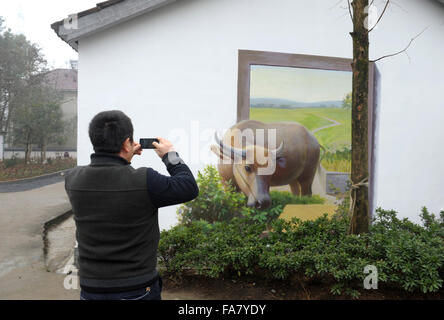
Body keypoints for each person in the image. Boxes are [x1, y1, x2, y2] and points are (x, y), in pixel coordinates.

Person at [64, 110, 199, 300]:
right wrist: (171, 155)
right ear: (127, 143)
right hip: (136, 289)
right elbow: (188, 187)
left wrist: (123, 158)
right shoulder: (145, 180)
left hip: (91, 289)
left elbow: (108, 182)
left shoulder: (72, 179)